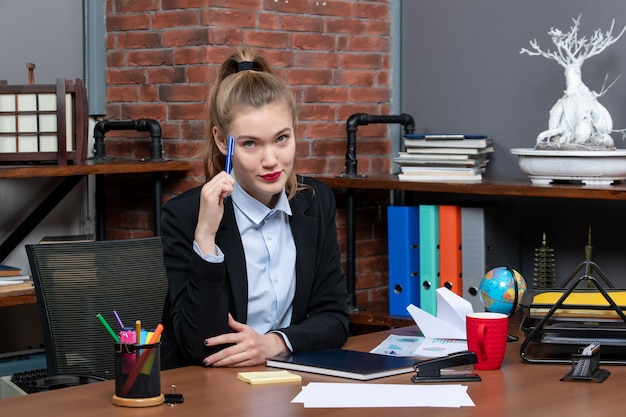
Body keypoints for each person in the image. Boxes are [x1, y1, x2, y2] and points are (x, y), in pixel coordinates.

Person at [160, 48, 350, 369]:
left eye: (281, 139)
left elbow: (334, 317)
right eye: (250, 143)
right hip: (211, 391)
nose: (271, 160)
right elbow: (199, 345)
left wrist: (273, 343)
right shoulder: (186, 215)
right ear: (222, 141)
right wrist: (206, 238)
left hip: (289, 380)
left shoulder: (314, 201)